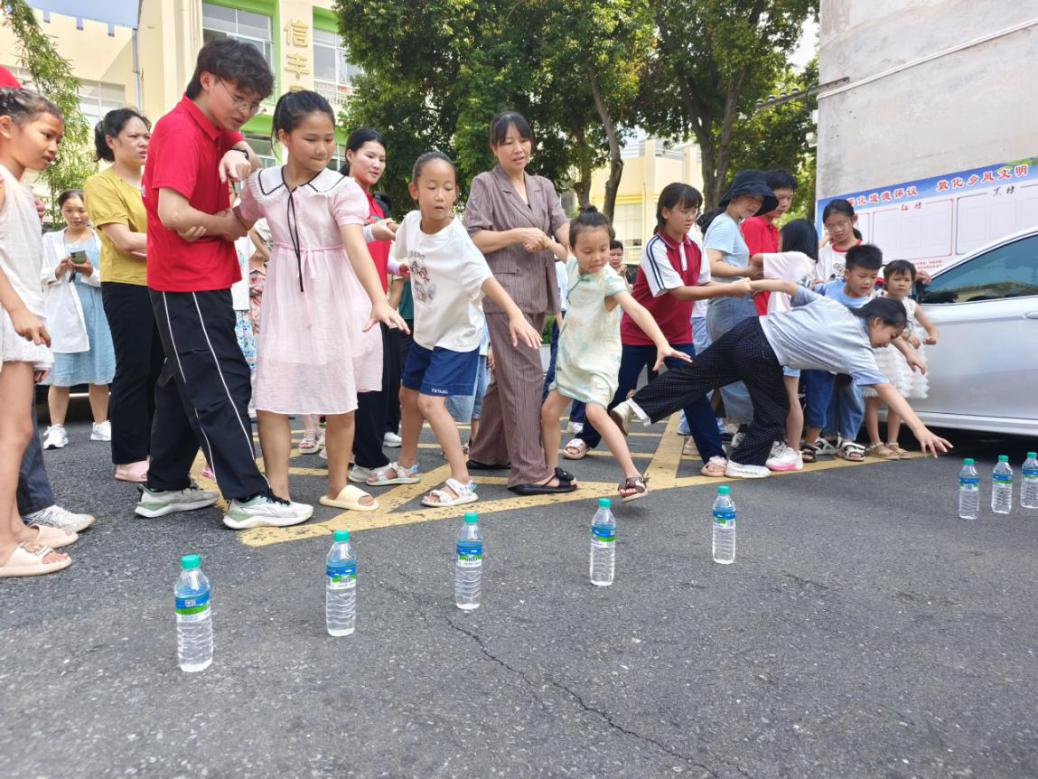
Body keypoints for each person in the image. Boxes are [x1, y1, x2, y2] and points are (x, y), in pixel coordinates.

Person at [136, 38, 310, 529]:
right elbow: (172, 213)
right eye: (239, 98)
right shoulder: (179, 129)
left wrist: (240, 152)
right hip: (184, 280)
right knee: (220, 379)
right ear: (207, 79)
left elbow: (244, 152)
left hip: (201, 277)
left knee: (183, 381)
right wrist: (225, 224)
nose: (245, 111)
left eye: (254, 104)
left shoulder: (214, 128)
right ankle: (248, 496)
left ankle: (164, 486)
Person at [235, 90, 407, 513]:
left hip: (335, 297)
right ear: (284, 137)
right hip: (284, 296)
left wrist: (378, 299)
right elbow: (238, 220)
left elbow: (353, 244)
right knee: (272, 394)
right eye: (311, 139)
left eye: (329, 139)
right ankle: (278, 491)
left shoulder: (341, 188)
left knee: (340, 394)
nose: (322, 148)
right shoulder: (262, 184)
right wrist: (194, 225)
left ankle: (337, 485)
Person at [610, 280, 952, 478]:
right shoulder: (858, 349)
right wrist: (919, 429)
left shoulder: (834, 307)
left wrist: (749, 287)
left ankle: (632, 408)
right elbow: (887, 390)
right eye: (890, 336)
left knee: (696, 376)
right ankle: (744, 462)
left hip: (747, 329)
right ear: (877, 322)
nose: (887, 343)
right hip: (763, 351)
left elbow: (788, 287)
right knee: (774, 410)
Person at [386, 152, 542, 507]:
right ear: (414, 190)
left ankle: (461, 480)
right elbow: (400, 265)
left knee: (430, 402)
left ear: (457, 193)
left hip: (458, 335)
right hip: (427, 332)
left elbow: (486, 280)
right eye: (431, 187)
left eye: (447, 188)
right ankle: (407, 465)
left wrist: (515, 314)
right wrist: (390, 303)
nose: (440, 196)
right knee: (408, 396)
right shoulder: (411, 223)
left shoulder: (458, 240)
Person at [565, 183, 752, 477]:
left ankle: (713, 453)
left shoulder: (695, 246)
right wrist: (731, 290)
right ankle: (586, 437)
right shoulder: (655, 248)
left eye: (694, 211)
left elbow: (703, 283)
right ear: (665, 212)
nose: (690, 217)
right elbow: (678, 292)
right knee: (616, 388)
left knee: (693, 391)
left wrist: (739, 285)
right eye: (684, 210)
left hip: (677, 335)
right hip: (639, 332)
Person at [542, 207, 692, 501]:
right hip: (572, 359)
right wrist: (546, 242)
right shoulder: (572, 265)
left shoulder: (609, 281)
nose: (598, 257)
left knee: (595, 413)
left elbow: (636, 309)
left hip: (600, 362)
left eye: (604, 248)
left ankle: (633, 475)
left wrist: (661, 342)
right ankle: (551, 471)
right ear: (575, 249)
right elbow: (561, 251)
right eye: (588, 251)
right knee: (548, 412)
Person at [463, 111, 574, 495]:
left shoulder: (543, 186)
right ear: (494, 148)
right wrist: (517, 234)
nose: (517, 148)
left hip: (539, 292)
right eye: (507, 142)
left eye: (523, 140)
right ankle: (528, 469)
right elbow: (474, 238)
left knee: (508, 377)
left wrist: (570, 244)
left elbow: (562, 227)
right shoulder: (485, 183)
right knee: (526, 378)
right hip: (505, 294)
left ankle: (487, 452)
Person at [0, 88, 76, 577]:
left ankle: (13, 528)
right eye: (46, 135)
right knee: (14, 431)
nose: (53, 147)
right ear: (7, 127)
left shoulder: (14, 184)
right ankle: (3, 545)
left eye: (57, 139)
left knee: (15, 430)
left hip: (16, 320)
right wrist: (18, 310)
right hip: (9, 319)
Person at [84, 108, 159, 483]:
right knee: (134, 369)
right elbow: (125, 241)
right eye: (134, 136)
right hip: (127, 286)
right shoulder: (101, 184)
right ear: (111, 141)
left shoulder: (155, 181)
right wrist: (175, 239)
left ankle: (154, 450)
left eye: (147, 135)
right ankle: (128, 458)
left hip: (163, 282)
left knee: (160, 372)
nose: (144, 142)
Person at [339, 128, 410, 484]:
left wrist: (398, 267)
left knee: (378, 381)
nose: (377, 164)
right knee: (366, 384)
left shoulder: (376, 204)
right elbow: (344, 247)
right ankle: (366, 459)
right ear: (349, 155)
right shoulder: (342, 195)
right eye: (369, 156)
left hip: (376, 301)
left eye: (382, 159)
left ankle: (357, 452)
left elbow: (377, 255)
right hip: (351, 301)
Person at [703, 170, 777, 445]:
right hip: (730, 303)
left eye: (759, 200)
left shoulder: (732, 224)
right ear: (735, 196)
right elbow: (711, 265)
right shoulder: (725, 225)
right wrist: (746, 273)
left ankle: (738, 431)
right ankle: (751, 432)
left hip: (730, 303)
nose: (755, 204)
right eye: (750, 197)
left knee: (733, 371)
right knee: (743, 370)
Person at [40, 189, 115, 448]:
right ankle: (56, 428)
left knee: (99, 371)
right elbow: (38, 275)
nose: (76, 215)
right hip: (63, 312)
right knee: (60, 373)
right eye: (69, 210)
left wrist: (90, 272)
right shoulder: (50, 240)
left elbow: (112, 276)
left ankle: (101, 423)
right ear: (61, 211)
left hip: (98, 311)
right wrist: (58, 270)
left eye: (81, 210)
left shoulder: (102, 238)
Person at [802, 244, 885, 463]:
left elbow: (890, 332)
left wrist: (909, 353)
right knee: (821, 399)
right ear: (847, 274)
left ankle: (849, 439)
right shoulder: (830, 289)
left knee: (852, 396)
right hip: (822, 356)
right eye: (862, 276)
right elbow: (808, 299)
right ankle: (824, 438)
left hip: (851, 359)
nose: (868, 282)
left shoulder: (871, 303)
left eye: (873, 277)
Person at [747, 219, 818, 472]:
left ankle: (793, 451)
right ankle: (785, 446)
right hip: (796, 335)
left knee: (788, 395)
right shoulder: (810, 265)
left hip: (785, 336)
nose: (778, 243)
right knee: (787, 394)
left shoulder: (794, 258)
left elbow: (756, 258)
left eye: (781, 238)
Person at [863, 259, 939, 459]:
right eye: (897, 279)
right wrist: (906, 334)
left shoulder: (911, 305)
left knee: (898, 397)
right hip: (884, 352)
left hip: (905, 357)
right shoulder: (879, 300)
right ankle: (875, 443)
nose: (902, 284)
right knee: (875, 398)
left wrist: (932, 336)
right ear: (886, 280)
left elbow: (931, 326)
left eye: (906, 280)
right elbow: (878, 325)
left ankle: (893, 442)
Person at [741, 169, 797, 316]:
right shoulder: (752, 224)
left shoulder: (775, 230)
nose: (784, 204)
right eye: (780, 197)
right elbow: (749, 268)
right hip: (754, 308)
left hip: (771, 307)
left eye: (789, 198)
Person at [816, 199, 861, 285]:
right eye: (830, 225)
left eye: (841, 223)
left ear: (853, 219)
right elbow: (820, 289)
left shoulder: (869, 252)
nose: (837, 229)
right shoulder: (822, 256)